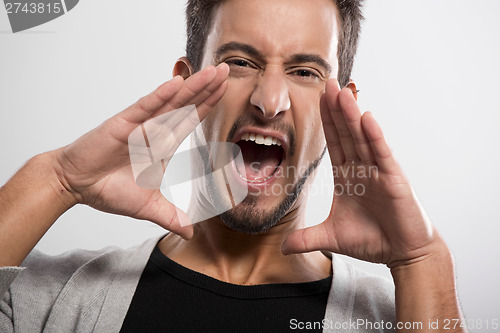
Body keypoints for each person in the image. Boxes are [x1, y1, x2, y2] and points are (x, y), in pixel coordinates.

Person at [0, 0, 467, 332]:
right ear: (186, 86)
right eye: (241, 62)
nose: (269, 102)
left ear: (341, 108)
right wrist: (55, 178)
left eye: (305, 72)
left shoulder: (400, 320)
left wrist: (421, 262)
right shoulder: (57, 301)